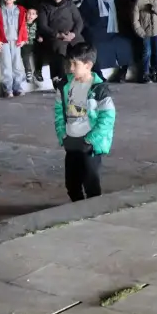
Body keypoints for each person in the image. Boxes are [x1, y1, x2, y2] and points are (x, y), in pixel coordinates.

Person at [53, 43, 114, 201]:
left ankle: (94, 212)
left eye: (75, 64)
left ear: (88, 65)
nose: (71, 68)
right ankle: (77, 209)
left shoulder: (99, 89)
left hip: (89, 145)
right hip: (71, 141)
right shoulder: (65, 86)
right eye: (70, 64)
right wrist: (62, 134)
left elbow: (107, 118)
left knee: (91, 183)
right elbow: (59, 111)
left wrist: (90, 140)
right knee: (72, 184)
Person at [81, 0, 135, 83]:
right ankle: (98, 74)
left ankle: (123, 71)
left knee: (126, 43)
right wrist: (89, 28)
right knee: (93, 46)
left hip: (115, 30)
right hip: (97, 29)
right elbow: (82, 17)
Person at [41, 0, 85, 85]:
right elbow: (43, 26)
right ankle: (59, 81)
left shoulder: (69, 4)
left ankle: (86, 77)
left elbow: (79, 21)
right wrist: (58, 35)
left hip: (73, 35)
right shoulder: (44, 7)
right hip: (56, 37)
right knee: (57, 53)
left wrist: (73, 34)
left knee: (83, 50)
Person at [0, 0, 29, 96]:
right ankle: (8, 89)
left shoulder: (20, 10)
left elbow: (24, 25)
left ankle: (17, 87)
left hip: (15, 41)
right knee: (6, 65)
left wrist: (23, 39)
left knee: (17, 65)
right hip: (4, 41)